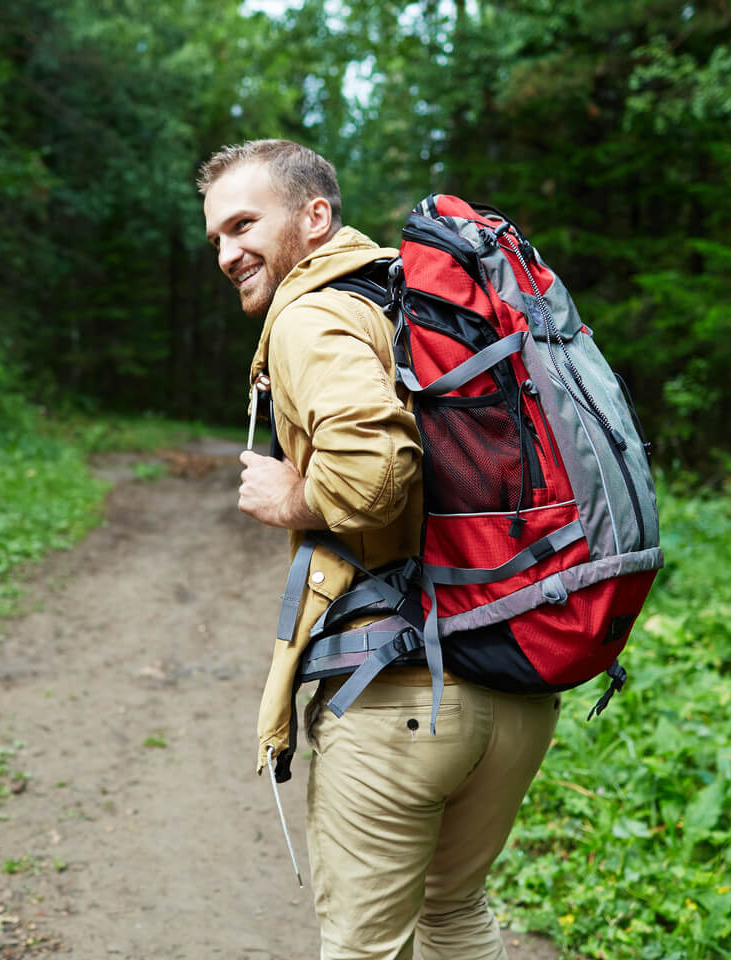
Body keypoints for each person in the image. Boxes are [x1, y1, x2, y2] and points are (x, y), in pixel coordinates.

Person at [198, 138, 561, 960]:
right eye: (216, 236)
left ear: (316, 216)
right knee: (455, 914)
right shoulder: (416, 303)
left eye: (245, 224)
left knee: (366, 949)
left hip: (400, 691)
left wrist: (291, 495)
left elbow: (372, 479)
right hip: (514, 676)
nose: (227, 253)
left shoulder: (314, 312)